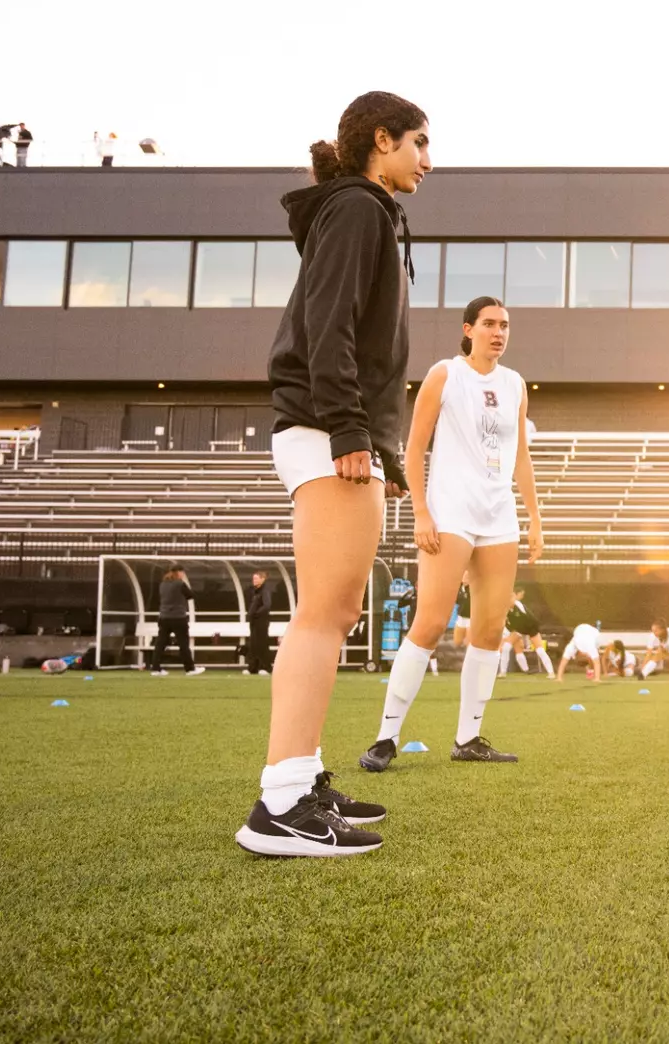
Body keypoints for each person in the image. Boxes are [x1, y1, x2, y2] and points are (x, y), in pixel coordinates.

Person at [235, 91, 430, 859]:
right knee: (324, 614)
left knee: (337, 612)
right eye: (418, 141)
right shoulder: (357, 209)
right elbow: (329, 323)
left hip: (339, 432)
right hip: (326, 430)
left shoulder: (366, 210)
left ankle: (301, 776)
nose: (428, 158)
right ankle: (279, 803)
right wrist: (352, 428)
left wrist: (378, 444)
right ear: (380, 140)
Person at [359, 296, 545, 774]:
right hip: (451, 512)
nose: (498, 332)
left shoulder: (515, 384)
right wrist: (422, 512)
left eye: (505, 325)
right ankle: (385, 737)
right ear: (468, 329)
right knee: (431, 621)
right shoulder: (446, 373)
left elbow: (520, 455)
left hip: (499, 517)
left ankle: (469, 738)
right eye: (489, 324)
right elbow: (415, 446)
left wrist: (535, 518)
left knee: (489, 629)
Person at [150, 565, 206, 676]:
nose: (183, 575)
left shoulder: (163, 584)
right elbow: (190, 595)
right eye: (182, 572)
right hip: (178, 617)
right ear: (179, 572)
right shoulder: (180, 583)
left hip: (164, 617)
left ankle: (156, 668)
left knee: (160, 644)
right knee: (183, 644)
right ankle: (189, 668)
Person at [502, 586, 555, 677]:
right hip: (519, 629)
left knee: (540, 650)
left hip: (531, 628)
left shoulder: (518, 604)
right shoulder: (505, 610)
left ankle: (551, 673)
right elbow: (507, 624)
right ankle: (503, 672)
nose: (509, 599)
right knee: (506, 647)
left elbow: (526, 617)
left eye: (511, 597)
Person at [243, 569, 274, 675]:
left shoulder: (265, 590)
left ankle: (265, 667)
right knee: (253, 644)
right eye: (253, 578)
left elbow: (267, 605)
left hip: (261, 621)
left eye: (256, 578)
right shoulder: (254, 591)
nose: (254, 580)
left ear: (263, 579)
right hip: (254, 622)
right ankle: (253, 667)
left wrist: (256, 614)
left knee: (262, 644)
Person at [451, 572, 472, 649]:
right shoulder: (459, 588)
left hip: (471, 618)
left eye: (467, 576)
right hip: (461, 616)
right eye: (464, 576)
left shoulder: (473, 588)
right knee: (457, 641)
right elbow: (456, 601)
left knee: (469, 643)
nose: (465, 578)